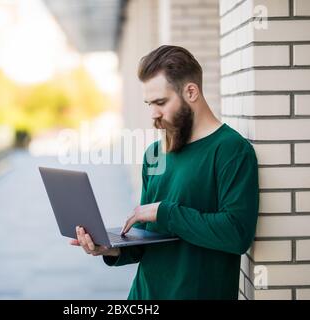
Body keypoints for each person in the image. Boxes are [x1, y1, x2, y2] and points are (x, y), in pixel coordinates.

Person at [70, 45, 259, 300]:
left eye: (161, 102)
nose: (153, 113)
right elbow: (149, 240)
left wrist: (164, 211)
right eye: (149, 103)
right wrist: (110, 248)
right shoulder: (154, 154)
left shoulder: (231, 150)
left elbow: (237, 234)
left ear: (191, 91)